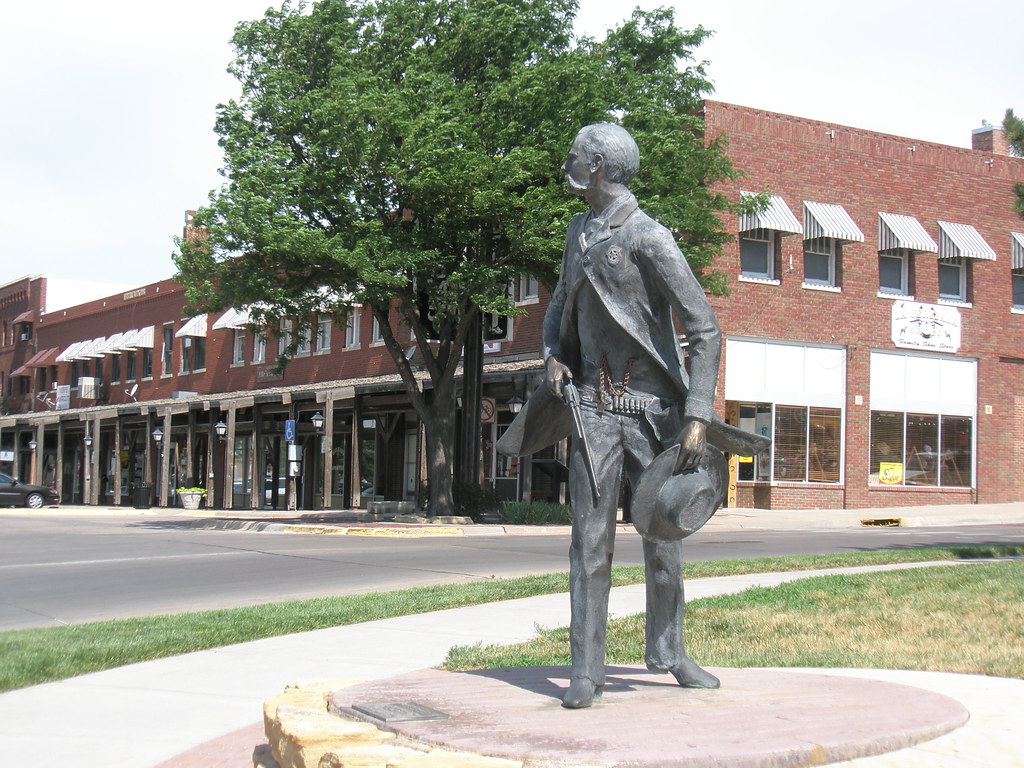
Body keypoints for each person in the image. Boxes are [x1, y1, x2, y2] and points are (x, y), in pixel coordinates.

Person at [497, 122, 767, 709]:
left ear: (595, 164)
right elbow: (560, 309)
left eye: (574, 152)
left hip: (654, 417)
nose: (565, 158)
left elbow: (705, 328)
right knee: (588, 545)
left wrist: (697, 413)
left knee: (664, 537)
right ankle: (586, 671)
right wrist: (551, 358)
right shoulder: (577, 233)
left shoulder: (649, 237)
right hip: (592, 410)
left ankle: (669, 652)